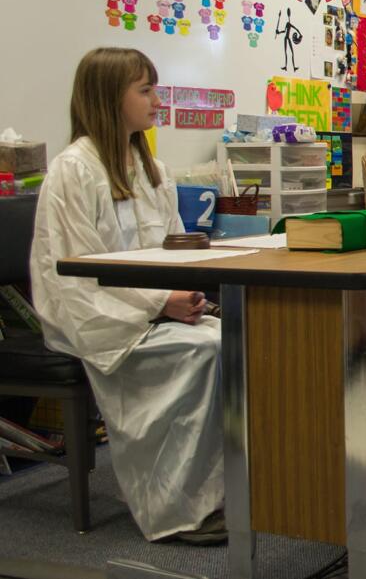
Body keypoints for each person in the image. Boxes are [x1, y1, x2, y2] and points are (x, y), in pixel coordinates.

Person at [29, 48, 224, 544]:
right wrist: (161, 304)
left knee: (241, 338)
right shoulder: (73, 171)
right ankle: (177, 508)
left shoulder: (149, 167)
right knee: (206, 351)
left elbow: (174, 248)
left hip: (151, 308)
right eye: (145, 90)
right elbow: (77, 276)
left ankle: (224, 490)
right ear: (108, 97)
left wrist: (187, 293)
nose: (157, 100)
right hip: (97, 317)